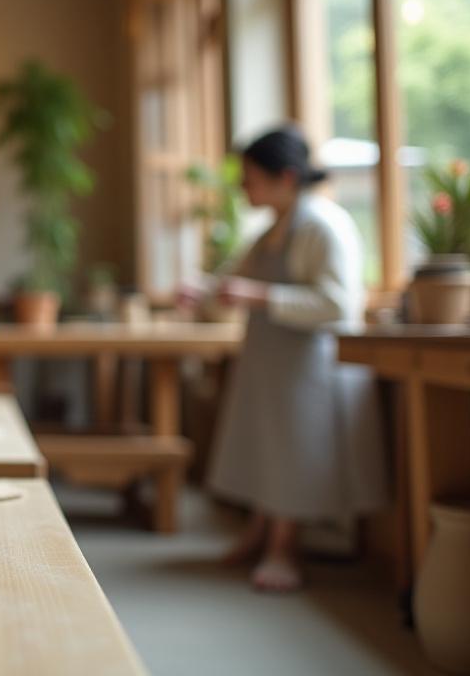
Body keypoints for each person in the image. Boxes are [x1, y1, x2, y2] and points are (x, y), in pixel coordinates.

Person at [181, 125, 386, 592]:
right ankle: (261, 532)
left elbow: (337, 304)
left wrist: (259, 296)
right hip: (274, 361)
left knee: (296, 451)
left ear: (286, 177)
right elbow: (235, 285)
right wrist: (206, 291)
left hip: (311, 363)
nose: (243, 187)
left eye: (250, 176)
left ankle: (282, 547)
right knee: (269, 446)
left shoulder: (322, 225)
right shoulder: (271, 231)